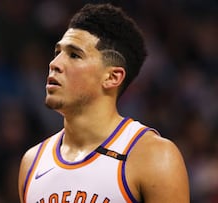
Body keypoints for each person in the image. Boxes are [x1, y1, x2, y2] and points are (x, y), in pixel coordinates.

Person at [18, 3, 189, 203]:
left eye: (74, 55)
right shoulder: (32, 162)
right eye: (58, 53)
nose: (54, 64)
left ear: (112, 77)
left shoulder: (153, 156)